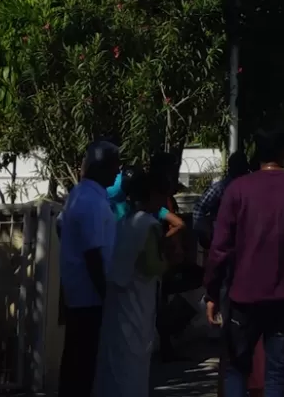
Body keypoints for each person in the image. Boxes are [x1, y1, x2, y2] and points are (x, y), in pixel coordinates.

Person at [203, 126, 284, 397]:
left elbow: (220, 248)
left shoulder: (238, 190)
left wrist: (212, 292)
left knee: (237, 367)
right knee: (277, 371)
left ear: (256, 154)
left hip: (243, 297)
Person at [93, 167, 167, 397]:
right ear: (152, 195)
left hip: (117, 301)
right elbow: (151, 265)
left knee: (114, 364)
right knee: (133, 366)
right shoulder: (148, 225)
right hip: (137, 303)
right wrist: (171, 263)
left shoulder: (124, 222)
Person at [58, 139, 120, 397]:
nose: (118, 173)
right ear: (101, 167)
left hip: (79, 295)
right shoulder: (91, 202)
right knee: (83, 367)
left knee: (76, 363)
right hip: (90, 298)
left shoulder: (81, 195)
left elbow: (61, 227)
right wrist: (107, 298)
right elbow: (93, 255)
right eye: (115, 167)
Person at [194, 153, 249, 252]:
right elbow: (199, 207)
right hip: (222, 240)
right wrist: (204, 233)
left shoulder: (249, 188)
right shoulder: (220, 188)